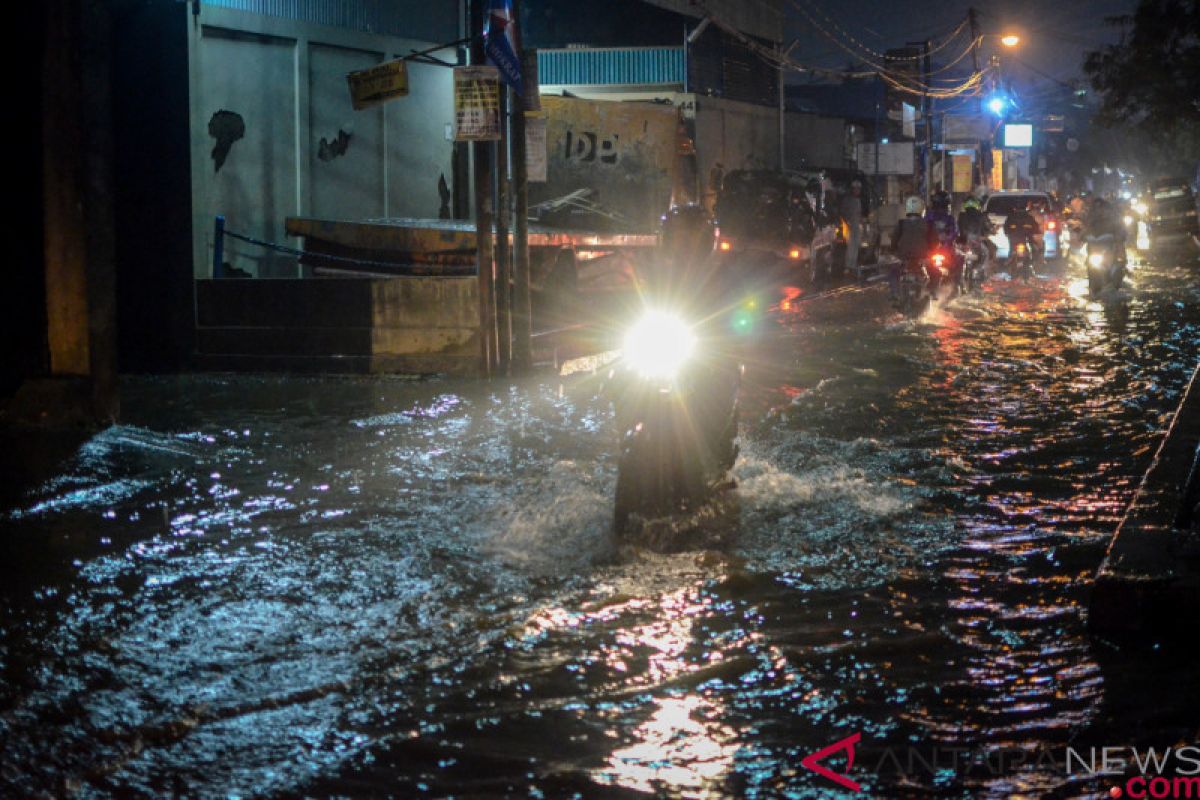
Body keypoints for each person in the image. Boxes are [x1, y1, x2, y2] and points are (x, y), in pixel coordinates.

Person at [891, 195, 930, 299]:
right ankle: (933, 293)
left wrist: (894, 252)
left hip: (904, 256)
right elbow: (934, 241)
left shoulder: (901, 223)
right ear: (922, 209)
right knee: (934, 272)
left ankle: (894, 294)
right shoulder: (927, 224)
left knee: (893, 272)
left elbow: (894, 241)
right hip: (921, 257)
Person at [925, 190, 960, 288]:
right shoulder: (931, 217)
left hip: (939, 250)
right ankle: (957, 284)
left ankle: (957, 284)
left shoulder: (930, 216)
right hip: (935, 250)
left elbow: (955, 232)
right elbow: (955, 233)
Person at [957, 196, 996, 265]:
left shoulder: (961, 215)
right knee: (987, 252)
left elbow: (957, 227)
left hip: (963, 240)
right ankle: (982, 269)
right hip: (974, 240)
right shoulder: (980, 215)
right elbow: (988, 227)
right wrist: (992, 231)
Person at [1003, 201, 1041, 267]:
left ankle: (1010, 260)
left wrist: (1008, 233)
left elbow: (1006, 228)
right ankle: (1035, 262)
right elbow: (1036, 227)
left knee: (1012, 249)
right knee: (1035, 247)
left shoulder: (1011, 217)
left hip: (1016, 238)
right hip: (1025, 238)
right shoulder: (1029, 217)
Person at [839, 180, 865, 278]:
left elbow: (859, 213)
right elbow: (843, 212)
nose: (857, 190)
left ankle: (853, 266)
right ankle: (848, 266)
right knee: (850, 246)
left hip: (857, 226)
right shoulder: (847, 200)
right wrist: (847, 222)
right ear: (852, 189)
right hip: (850, 226)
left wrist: (861, 221)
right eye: (856, 189)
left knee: (856, 245)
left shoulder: (858, 200)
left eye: (859, 189)